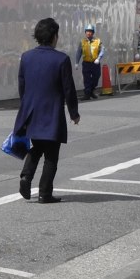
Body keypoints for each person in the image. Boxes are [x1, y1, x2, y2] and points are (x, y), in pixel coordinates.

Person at [17, 17, 81, 204]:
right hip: (52, 112)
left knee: (36, 147)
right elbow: (68, 89)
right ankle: (45, 193)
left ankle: (26, 177)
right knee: (51, 155)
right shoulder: (61, 59)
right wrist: (74, 113)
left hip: (32, 111)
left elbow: (22, 85)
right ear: (54, 36)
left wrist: (26, 105)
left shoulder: (26, 57)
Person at [74, 23, 104, 100]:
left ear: (93, 33)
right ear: (85, 32)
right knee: (87, 79)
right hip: (86, 63)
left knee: (96, 77)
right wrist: (77, 62)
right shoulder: (82, 42)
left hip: (95, 63)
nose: (88, 33)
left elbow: (102, 50)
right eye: (87, 31)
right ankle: (87, 94)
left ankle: (91, 91)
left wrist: (98, 58)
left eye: (90, 31)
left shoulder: (98, 41)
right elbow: (79, 52)